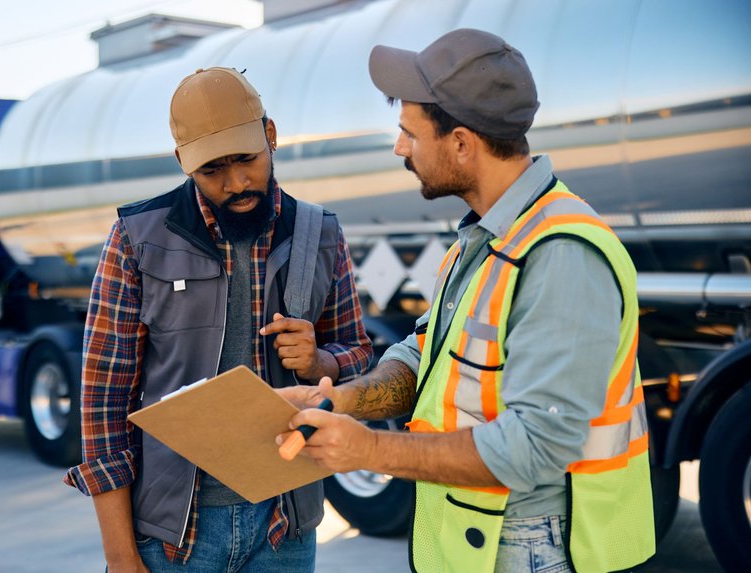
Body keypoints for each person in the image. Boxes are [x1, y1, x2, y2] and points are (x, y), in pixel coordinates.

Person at [278, 29, 656, 573]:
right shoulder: (485, 239)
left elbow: (535, 447)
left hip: (539, 547)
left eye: (409, 133)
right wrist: (338, 400)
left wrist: (369, 451)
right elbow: (427, 360)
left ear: (460, 143)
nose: (399, 148)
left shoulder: (559, 254)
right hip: (490, 537)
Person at [64, 67, 373, 573]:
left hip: (285, 527)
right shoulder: (137, 238)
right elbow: (103, 403)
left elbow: (358, 356)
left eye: (247, 159)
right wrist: (120, 556)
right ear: (184, 164)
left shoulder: (320, 233)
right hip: (173, 537)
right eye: (212, 170)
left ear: (270, 136)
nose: (236, 183)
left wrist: (321, 360)